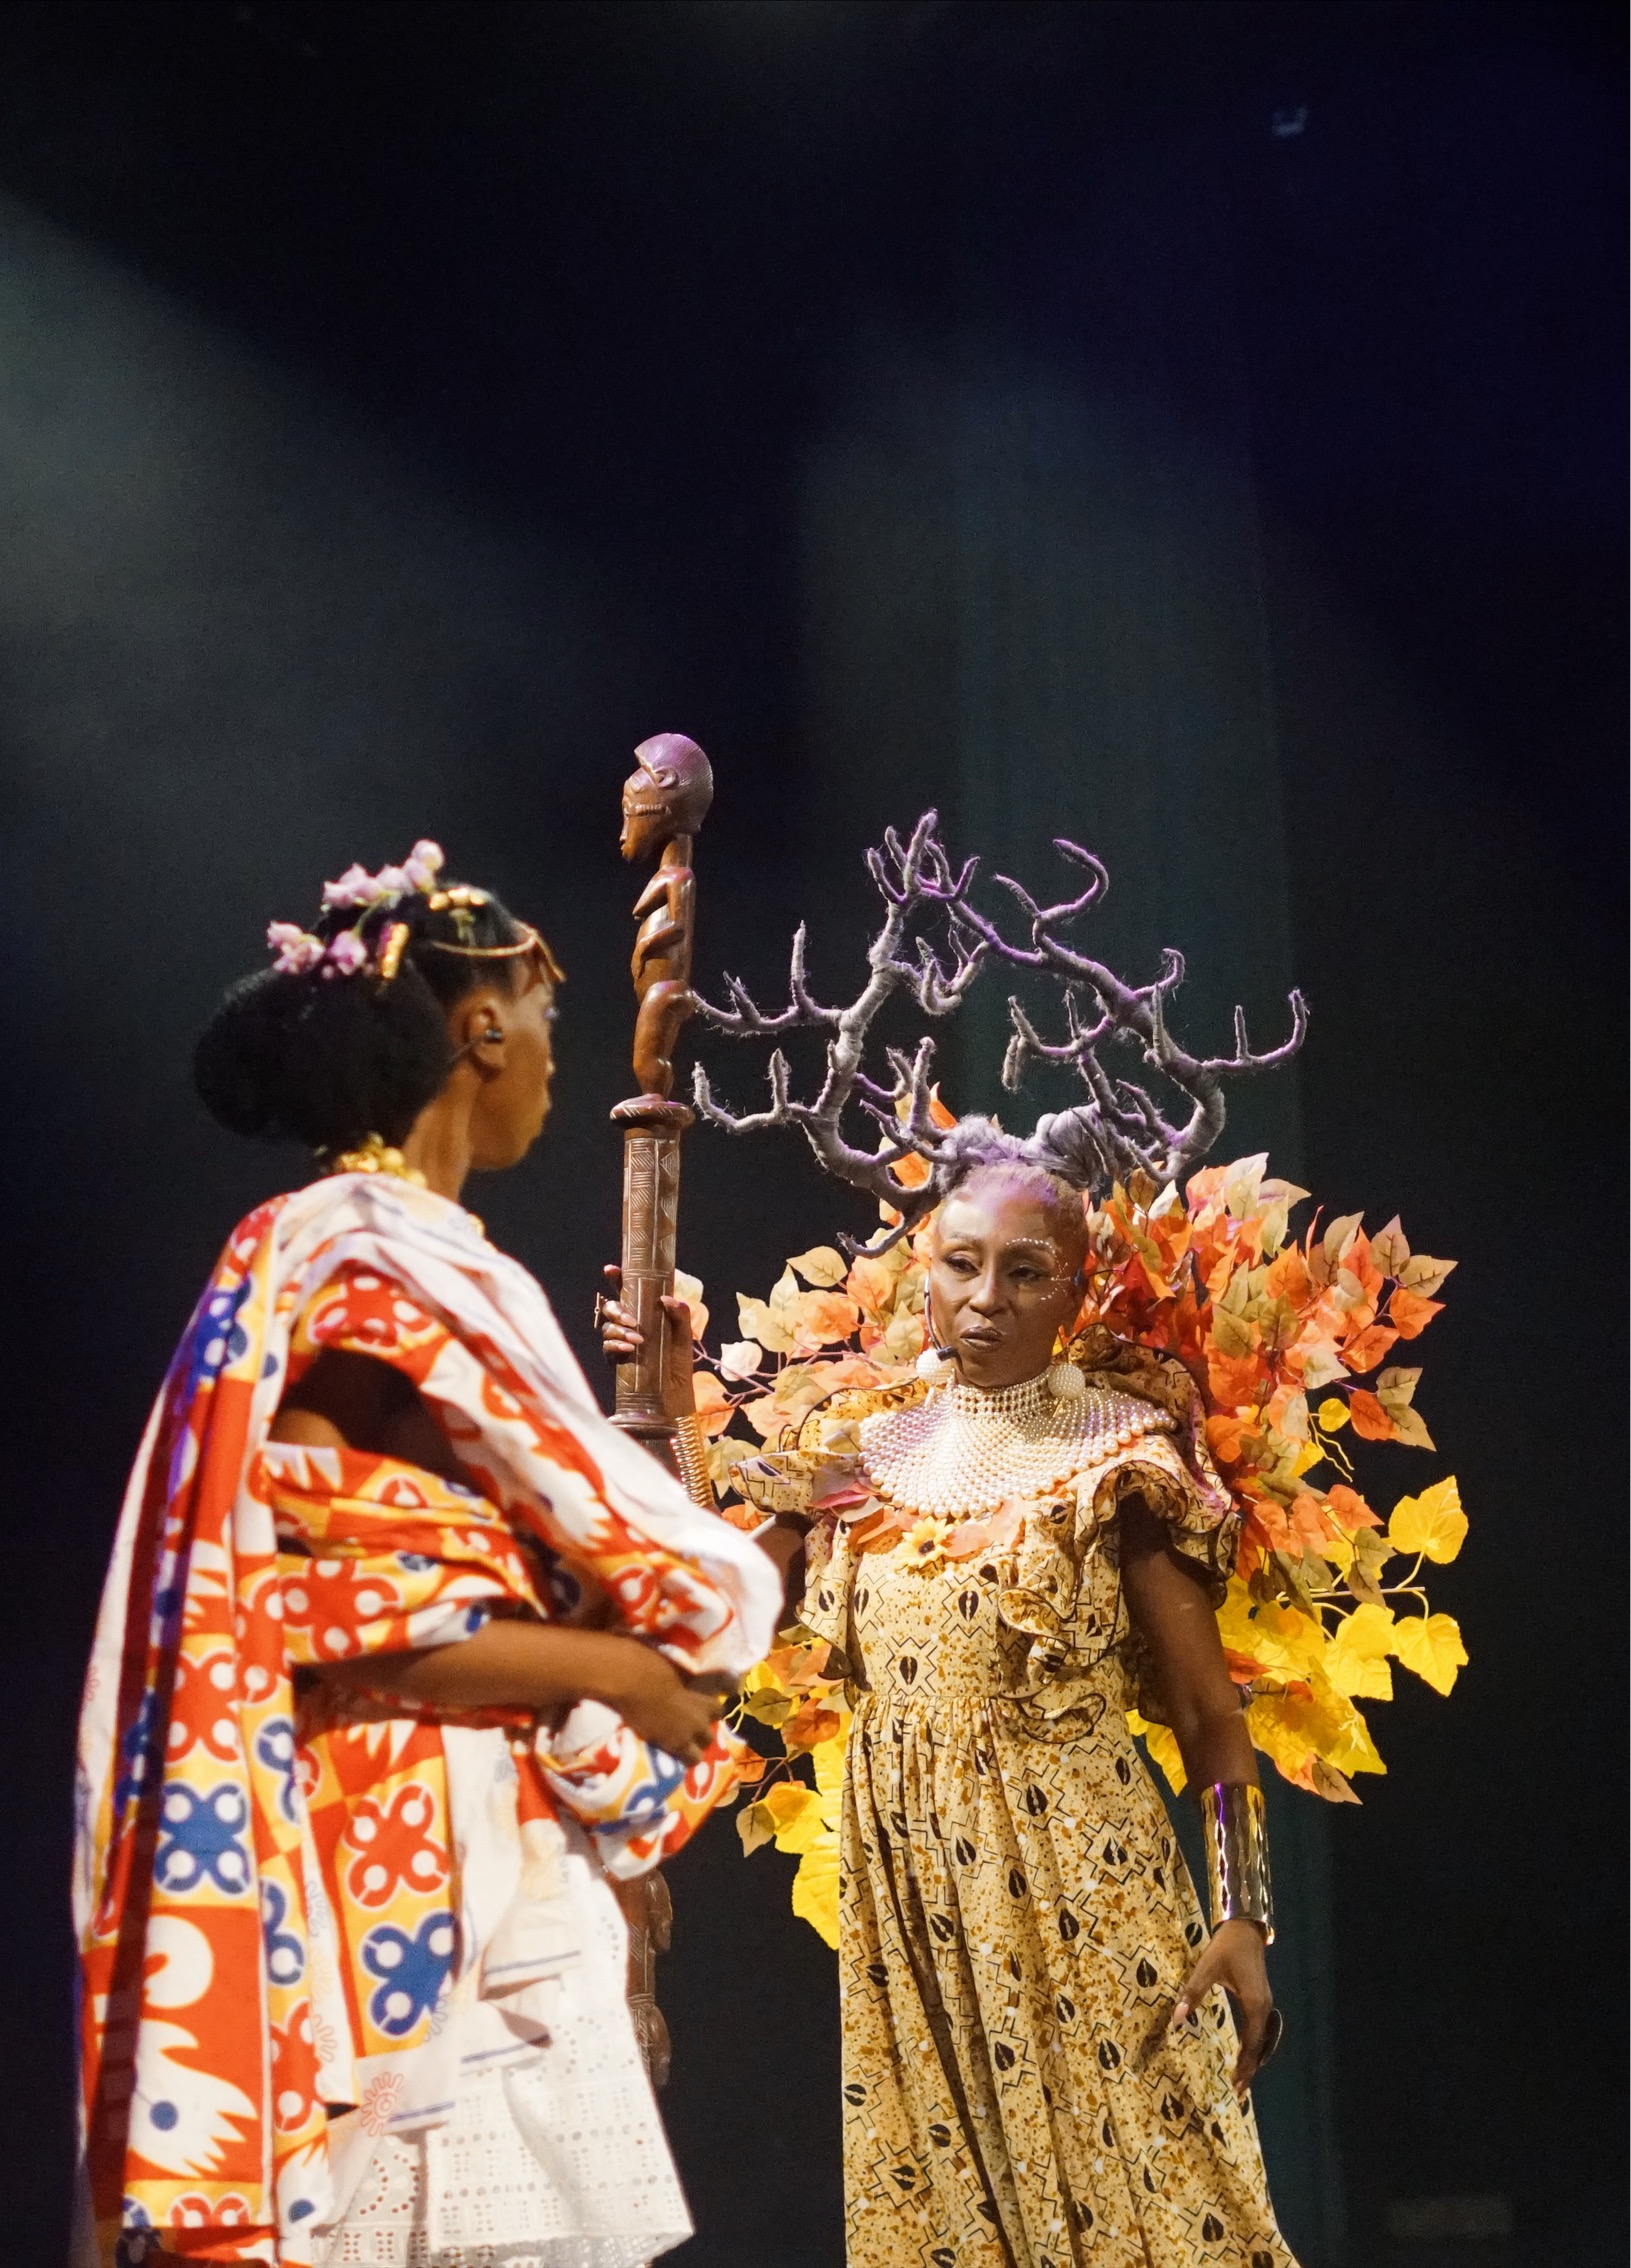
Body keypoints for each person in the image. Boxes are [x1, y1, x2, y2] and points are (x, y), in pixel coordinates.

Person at [604, 814, 1301, 2267]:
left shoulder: (1119, 1460)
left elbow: (1207, 1715)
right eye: (960, 1265)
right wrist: (668, 1402)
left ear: (1073, 1293)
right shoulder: (858, 1457)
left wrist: (1243, 1921)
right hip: (905, 1887)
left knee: (1147, 2208)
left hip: (1078, 1872)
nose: (986, 1298)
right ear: (921, 1273)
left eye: (1025, 1273)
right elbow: (719, 1619)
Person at [74, 839, 781, 2267]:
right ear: (480, 1029)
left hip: (477, 1823)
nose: (553, 1061)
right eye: (545, 1021)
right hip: (412, 1834)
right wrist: (622, 1671)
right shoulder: (364, 1257)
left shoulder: (382, 1252)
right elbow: (330, 1597)